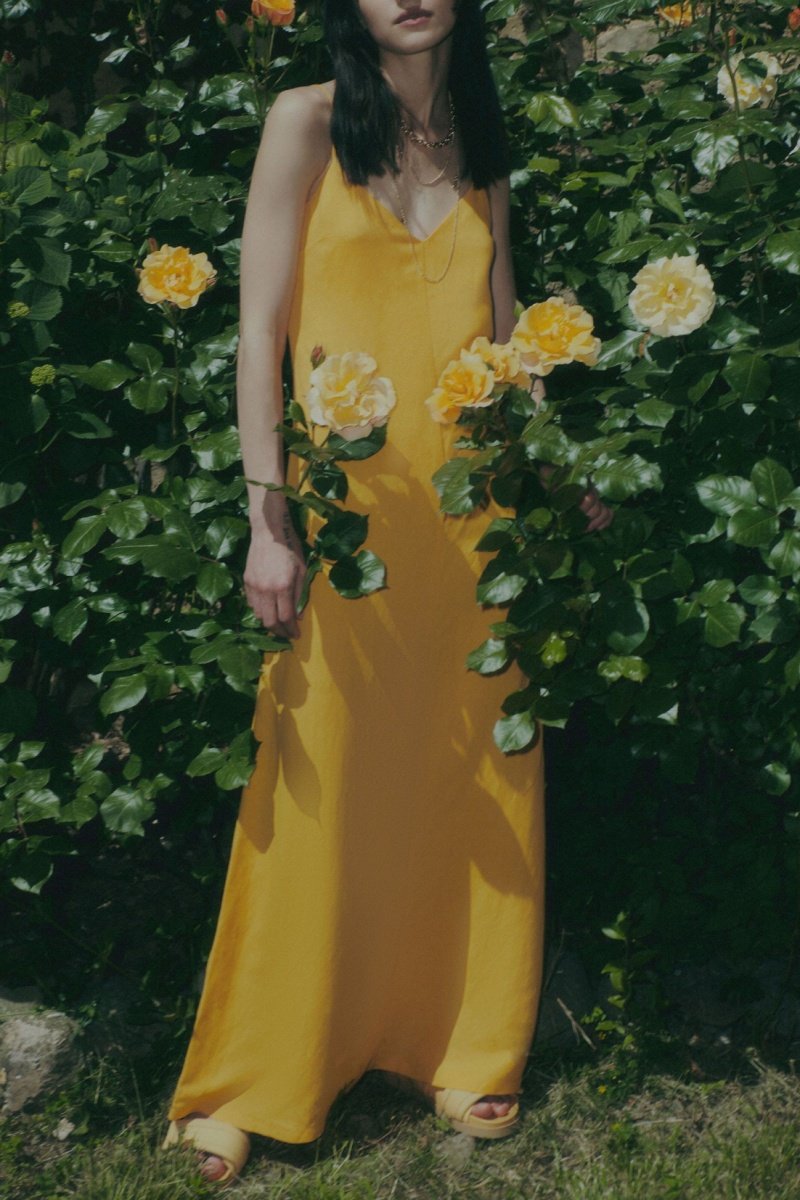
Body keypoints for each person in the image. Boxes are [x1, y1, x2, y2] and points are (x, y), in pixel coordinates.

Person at [164, 0, 613, 1183]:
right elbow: (257, 332)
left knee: (471, 774)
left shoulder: (479, 136)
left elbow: (503, 334)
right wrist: (268, 520)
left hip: (473, 526)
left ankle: (460, 1040)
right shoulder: (304, 122)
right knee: (316, 783)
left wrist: (559, 470)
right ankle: (255, 1074)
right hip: (346, 527)